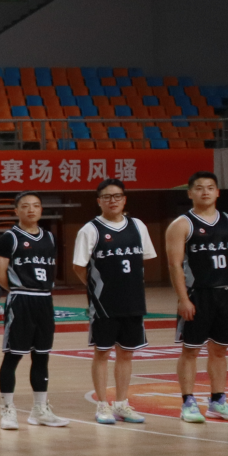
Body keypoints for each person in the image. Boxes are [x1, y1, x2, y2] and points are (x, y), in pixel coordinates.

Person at [71, 178, 159, 425]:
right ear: (99, 201)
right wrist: (95, 288)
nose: (113, 200)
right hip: (104, 304)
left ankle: (121, 404)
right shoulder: (90, 229)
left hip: (133, 300)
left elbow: (144, 259)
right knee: (102, 352)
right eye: (107, 197)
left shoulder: (138, 226)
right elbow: (78, 266)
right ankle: (102, 405)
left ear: (124, 199)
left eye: (117, 196)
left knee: (126, 353)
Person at [167, 171, 228, 425]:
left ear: (217, 192)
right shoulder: (181, 224)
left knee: (219, 350)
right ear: (190, 193)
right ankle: (188, 402)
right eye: (199, 188)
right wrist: (183, 299)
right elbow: (174, 265)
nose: (205, 192)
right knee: (190, 350)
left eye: (210, 187)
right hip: (197, 294)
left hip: (225, 294)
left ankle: (217, 401)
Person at [0, 191, 67, 429]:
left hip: (44, 300)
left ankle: (40, 410)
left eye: (36, 205)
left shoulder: (50, 238)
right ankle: (7, 410)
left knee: (42, 356)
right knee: (13, 355)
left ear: (41, 209)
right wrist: (18, 289)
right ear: (16, 211)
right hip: (21, 299)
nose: (31, 210)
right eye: (25, 206)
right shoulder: (9, 238)